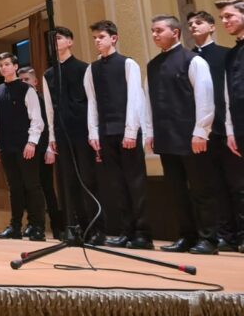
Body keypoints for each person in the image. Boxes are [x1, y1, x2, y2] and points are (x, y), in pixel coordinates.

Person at [143, 15, 219, 255]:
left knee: (201, 189)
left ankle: (209, 239)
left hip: (190, 136)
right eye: (153, 31)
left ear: (175, 33)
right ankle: (186, 236)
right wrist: (150, 132)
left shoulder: (193, 61)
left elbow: (205, 98)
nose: (155, 35)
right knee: (176, 190)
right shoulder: (153, 65)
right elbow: (148, 102)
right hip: (166, 137)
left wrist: (201, 131)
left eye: (159, 30)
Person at [83, 20, 152, 249]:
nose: (97, 41)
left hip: (127, 132)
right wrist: (93, 132)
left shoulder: (128, 64)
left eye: (101, 37)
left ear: (114, 38)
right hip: (105, 133)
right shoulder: (91, 69)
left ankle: (142, 234)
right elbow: (92, 102)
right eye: (94, 38)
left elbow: (135, 97)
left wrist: (131, 131)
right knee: (117, 184)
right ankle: (126, 231)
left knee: (135, 183)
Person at [41, 26, 102, 244]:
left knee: (88, 179)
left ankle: (95, 230)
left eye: (58, 38)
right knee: (68, 182)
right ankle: (74, 227)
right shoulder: (48, 73)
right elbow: (49, 108)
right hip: (61, 132)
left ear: (70, 41)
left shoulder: (84, 69)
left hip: (83, 131)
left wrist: (93, 131)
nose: (54, 43)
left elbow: (92, 102)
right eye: (51, 40)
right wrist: (51, 138)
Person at [188, 8, 238, 251]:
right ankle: (224, 235)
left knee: (236, 184)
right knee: (213, 185)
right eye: (190, 24)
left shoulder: (226, 55)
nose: (193, 27)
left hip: (226, 129)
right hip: (203, 134)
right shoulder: (188, 59)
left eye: (198, 23)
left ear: (211, 27)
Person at [0, 53, 46, 241]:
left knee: (32, 185)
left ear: (15, 66)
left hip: (24, 146)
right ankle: (15, 226)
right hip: (6, 146)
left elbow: (36, 119)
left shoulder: (26, 90)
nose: (4, 68)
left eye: (7, 64)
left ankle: (37, 226)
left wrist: (32, 142)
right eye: (1, 65)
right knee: (14, 187)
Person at [19, 67, 65, 240]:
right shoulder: (22, 99)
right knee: (29, 188)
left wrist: (49, 149)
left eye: (27, 79)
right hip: (28, 151)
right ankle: (32, 224)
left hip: (44, 149)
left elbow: (49, 126)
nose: (24, 83)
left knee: (47, 189)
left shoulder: (43, 100)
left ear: (35, 82)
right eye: (21, 80)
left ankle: (57, 227)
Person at [216, 0, 244, 253]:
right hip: (239, 126)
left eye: (229, 16)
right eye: (222, 18)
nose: (224, 22)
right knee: (241, 186)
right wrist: (230, 130)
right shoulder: (232, 52)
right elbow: (227, 95)